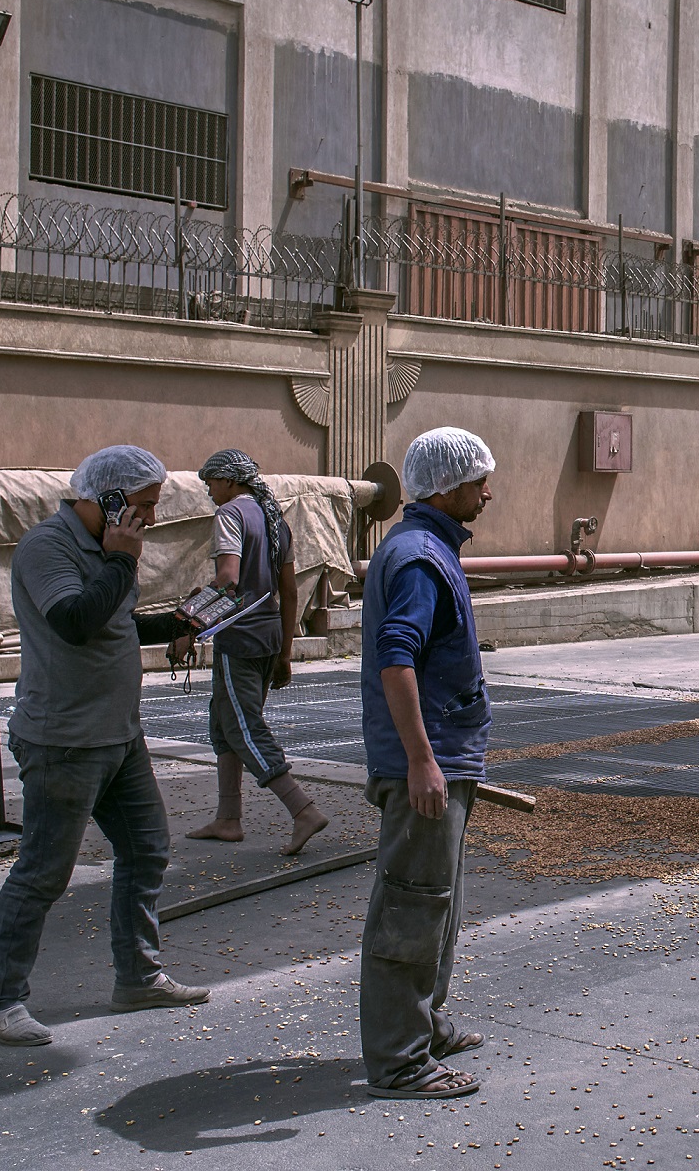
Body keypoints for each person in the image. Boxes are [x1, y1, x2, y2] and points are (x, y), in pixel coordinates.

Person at [0, 446, 210, 1047]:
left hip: (118, 734)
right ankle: (1, 1001)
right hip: (65, 739)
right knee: (43, 872)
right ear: (106, 501)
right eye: (143, 507)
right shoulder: (47, 547)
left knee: (147, 848)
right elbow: (76, 621)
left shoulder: (112, 554)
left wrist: (172, 627)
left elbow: (115, 621)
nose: (151, 520)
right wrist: (122, 561)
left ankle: (138, 976)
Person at [357, 427, 496, 1099]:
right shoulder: (418, 558)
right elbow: (396, 656)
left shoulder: (430, 548)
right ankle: (399, 1060)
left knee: (439, 905)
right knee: (412, 908)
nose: (487, 494)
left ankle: (424, 1024)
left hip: (445, 755)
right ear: (444, 487)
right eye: (478, 482)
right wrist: (421, 760)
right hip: (426, 761)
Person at [177, 449, 328, 855]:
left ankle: (302, 809)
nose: (209, 490)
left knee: (243, 727)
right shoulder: (275, 520)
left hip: (239, 638)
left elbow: (227, 581)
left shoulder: (231, 515)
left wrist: (187, 625)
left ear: (229, 481)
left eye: (211, 482)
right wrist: (285, 652)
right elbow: (290, 592)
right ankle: (228, 819)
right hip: (268, 637)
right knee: (226, 725)